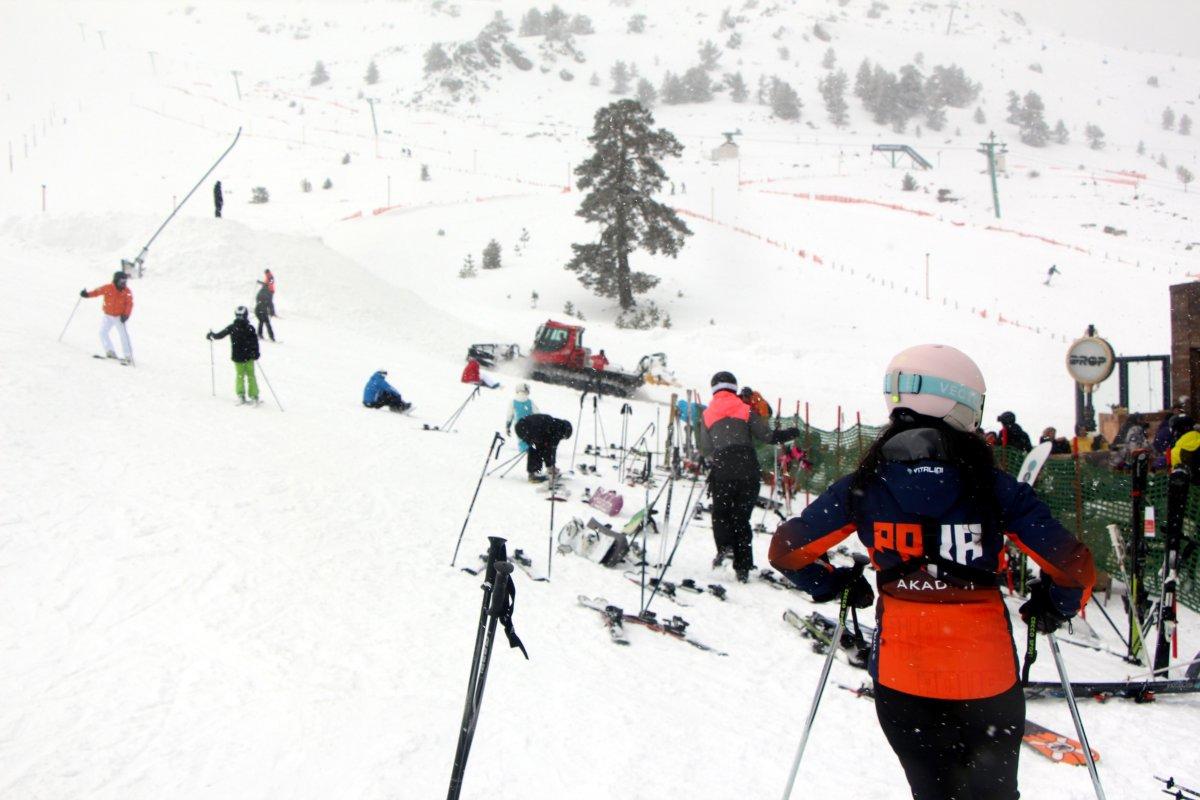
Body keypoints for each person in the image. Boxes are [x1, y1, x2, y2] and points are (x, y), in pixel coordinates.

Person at [770, 343, 1096, 800]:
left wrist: (833, 583)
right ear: (960, 402)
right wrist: (1053, 606)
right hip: (985, 683)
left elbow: (786, 550)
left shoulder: (866, 484)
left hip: (904, 680)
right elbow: (1076, 568)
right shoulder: (992, 485)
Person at [699, 371, 798, 582]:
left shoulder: (707, 414)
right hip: (747, 467)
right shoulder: (745, 409)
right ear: (734, 387)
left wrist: (720, 444)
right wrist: (790, 433)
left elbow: (706, 448)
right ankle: (743, 567)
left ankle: (725, 548)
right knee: (741, 518)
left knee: (721, 513)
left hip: (723, 468)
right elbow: (767, 436)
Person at [207, 306, 260, 404]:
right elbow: (220, 335)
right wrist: (212, 335)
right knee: (245, 375)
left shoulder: (245, 328)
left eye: (241, 315)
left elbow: (255, 342)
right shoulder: (237, 327)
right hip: (241, 356)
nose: (240, 317)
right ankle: (244, 394)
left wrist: (256, 352)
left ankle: (252, 395)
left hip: (246, 356)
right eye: (238, 315)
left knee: (247, 375)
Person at [81, 270, 134, 363]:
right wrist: (87, 294)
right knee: (102, 332)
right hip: (108, 315)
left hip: (119, 317)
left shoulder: (127, 291)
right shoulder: (108, 288)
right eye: (122, 281)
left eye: (125, 281)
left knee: (123, 335)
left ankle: (128, 356)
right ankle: (110, 351)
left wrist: (126, 315)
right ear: (116, 280)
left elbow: (129, 304)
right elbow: (97, 292)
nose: (123, 283)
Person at [514, 413, 572, 483]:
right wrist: (551, 466)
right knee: (537, 448)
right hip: (528, 428)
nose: (562, 438)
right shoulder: (557, 431)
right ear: (565, 433)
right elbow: (551, 450)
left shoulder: (554, 423)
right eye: (564, 437)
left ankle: (535, 472)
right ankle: (534, 474)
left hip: (521, 425)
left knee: (539, 446)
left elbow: (549, 449)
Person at [506, 383, 538, 452]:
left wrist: (508, 426)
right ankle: (529, 450)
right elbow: (537, 413)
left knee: (521, 440)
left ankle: (523, 450)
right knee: (529, 439)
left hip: (519, 425)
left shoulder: (513, 402)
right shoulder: (530, 402)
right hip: (530, 425)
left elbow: (510, 415)